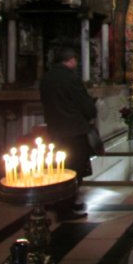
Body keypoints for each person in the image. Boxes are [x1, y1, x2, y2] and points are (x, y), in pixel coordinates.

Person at [40, 46, 97, 221]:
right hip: (73, 130)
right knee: (74, 168)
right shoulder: (71, 78)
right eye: (75, 60)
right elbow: (83, 102)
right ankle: (64, 208)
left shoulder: (46, 78)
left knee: (59, 167)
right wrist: (91, 112)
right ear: (71, 59)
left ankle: (62, 201)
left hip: (56, 130)